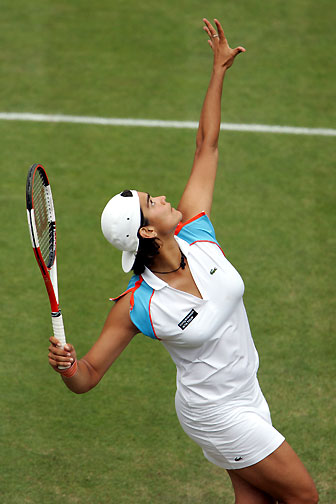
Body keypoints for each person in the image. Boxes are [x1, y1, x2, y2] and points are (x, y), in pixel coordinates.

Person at [48, 18, 319, 504]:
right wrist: (68, 367)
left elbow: (206, 146)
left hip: (248, 394)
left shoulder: (198, 233)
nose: (166, 196)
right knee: (303, 496)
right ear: (147, 231)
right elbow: (87, 376)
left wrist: (218, 72)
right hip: (214, 413)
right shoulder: (139, 304)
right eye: (153, 201)